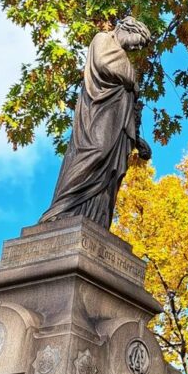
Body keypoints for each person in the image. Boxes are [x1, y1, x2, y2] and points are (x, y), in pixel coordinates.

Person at [40, 16, 153, 228]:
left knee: (111, 174)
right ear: (128, 28)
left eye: (142, 45)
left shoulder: (123, 58)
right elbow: (105, 63)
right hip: (98, 113)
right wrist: (133, 80)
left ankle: (96, 220)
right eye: (139, 40)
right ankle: (62, 208)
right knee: (96, 153)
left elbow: (130, 104)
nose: (138, 46)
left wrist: (137, 139)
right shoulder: (103, 39)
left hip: (118, 125)